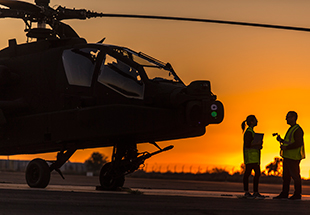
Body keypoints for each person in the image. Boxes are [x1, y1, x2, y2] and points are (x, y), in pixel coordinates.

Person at [273, 111, 305, 200]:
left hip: (293, 157)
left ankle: (297, 194)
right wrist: (281, 140)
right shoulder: (292, 129)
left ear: (294, 118)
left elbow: (298, 143)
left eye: (288, 117)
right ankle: (284, 193)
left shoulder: (297, 129)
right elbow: (290, 142)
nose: (286, 119)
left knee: (295, 176)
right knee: (286, 177)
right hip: (288, 157)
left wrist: (286, 148)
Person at [242, 115, 264, 199]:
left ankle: (252, 192)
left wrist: (258, 146)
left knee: (252, 173)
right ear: (252, 122)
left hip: (253, 157)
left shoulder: (251, 132)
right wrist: (257, 144)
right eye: (256, 120)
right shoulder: (249, 132)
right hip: (250, 157)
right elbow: (248, 145)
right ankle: (249, 192)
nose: (257, 121)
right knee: (250, 174)